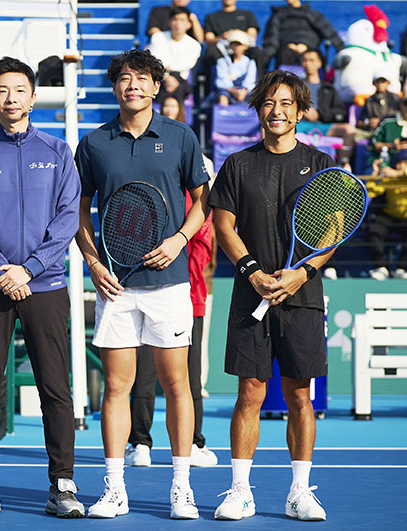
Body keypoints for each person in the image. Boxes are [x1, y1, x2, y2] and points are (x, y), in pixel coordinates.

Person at [74, 48, 210, 519]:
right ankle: (114, 489)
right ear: (115, 87)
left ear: (156, 86)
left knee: (177, 384)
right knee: (117, 387)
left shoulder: (180, 137)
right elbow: (79, 209)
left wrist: (179, 239)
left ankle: (181, 488)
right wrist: (93, 262)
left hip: (169, 284)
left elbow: (202, 200)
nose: (132, 85)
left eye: (141, 78)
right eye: (124, 78)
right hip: (115, 285)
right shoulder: (94, 143)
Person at [0, 56, 84, 519]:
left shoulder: (58, 151)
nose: (10, 98)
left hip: (44, 287)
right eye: (2, 90)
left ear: (33, 97)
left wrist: (28, 270)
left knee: (55, 387)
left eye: (19, 90)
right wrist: (1, 270)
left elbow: (68, 217)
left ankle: (63, 484)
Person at [209, 69, 334, 521]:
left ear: (300, 112)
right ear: (258, 110)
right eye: (268, 103)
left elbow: (333, 230)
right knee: (250, 392)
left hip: (303, 296)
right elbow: (223, 226)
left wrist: (303, 273)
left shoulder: (321, 164)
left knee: (300, 395)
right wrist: (254, 273)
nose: (276, 111)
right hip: (251, 296)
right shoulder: (237, 165)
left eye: (286, 104)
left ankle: (299, 492)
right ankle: (240, 491)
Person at [125, 97, 218, 469]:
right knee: (144, 373)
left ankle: (193, 442)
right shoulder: (154, 201)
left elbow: (201, 254)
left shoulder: (200, 215)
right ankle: (140, 443)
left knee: (188, 377)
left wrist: (176, 252)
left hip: (189, 298)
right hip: (148, 289)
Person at [296, 49, 354, 165]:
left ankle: (342, 165)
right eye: (305, 60)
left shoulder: (328, 88)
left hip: (323, 126)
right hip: (300, 126)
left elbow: (340, 112)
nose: (308, 64)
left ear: (319, 63)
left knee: (349, 129)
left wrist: (319, 115)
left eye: (311, 60)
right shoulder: (295, 87)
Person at [262, 0, 343, 68]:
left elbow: (330, 33)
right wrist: (264, 61)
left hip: (309, 49)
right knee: (285, 55)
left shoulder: (313, 14)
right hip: (286, 51)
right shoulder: (277, 16)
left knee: (312, 57)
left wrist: (342, 52)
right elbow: (271, 39)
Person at [365, 149, 407, 280]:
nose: (401, 166)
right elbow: (371, 192)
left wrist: (399, 173)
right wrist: (375, 173)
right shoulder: (390, 179)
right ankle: (381, 267)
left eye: (405, 163)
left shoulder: (395, 173)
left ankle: (402, 268)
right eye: (399, 163)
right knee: (374, 230)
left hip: (405, 218)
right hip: (388, 216)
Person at [146, 7, 202, 104]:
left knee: (176, 81)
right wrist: (166, 77)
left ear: (189, 24)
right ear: (169, 22)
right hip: (160, 77)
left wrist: (168, 72)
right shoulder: (157, 38)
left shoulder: (194, 45)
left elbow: (187, 64)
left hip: (180, 80)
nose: (178, 23)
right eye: (175, 19)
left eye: (182, 20)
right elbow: (154, 61)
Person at [203, 0, 265, 75]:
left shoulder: (247, 14)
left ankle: (260, 81)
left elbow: (252, 36)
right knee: (210, 52)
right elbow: (209, 40)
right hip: (221, 51)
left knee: (256, 51)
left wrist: (236, 34)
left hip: (244, 49)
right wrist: (222, 37)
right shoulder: (211, 17)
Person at [214, 30, 257, 106]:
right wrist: (232, 91)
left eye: (239, 44)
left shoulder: (250, 63)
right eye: (234, 44)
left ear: (245, 46)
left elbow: (250, 81)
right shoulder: (222, 61)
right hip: (227, 92)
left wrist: (244, 91)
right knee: (222, 98)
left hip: (246, 94)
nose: (236, 47)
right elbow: (221, 81)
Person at [370, 97, 407, 168]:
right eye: (406, 103)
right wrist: (392, 145)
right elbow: (374, 144)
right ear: (401, 104)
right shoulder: (387, 122)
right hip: (385, 163)